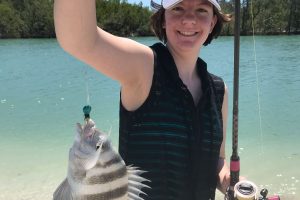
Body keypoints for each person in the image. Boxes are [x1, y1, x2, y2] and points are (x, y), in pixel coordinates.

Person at [54, 0, 233, 199]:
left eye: (201, 10)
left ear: (212, 22)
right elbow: (80, 40)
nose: (189, 19)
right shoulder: (145, 67)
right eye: (178, 8)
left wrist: (228, 180)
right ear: (163, 19)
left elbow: (217, 159)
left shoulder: (219, 91)